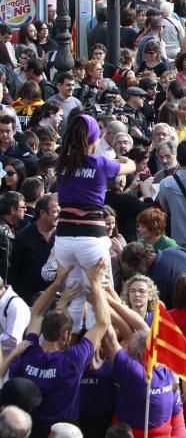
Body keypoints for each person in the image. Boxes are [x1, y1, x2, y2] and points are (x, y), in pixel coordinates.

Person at [4, 263, 109, 438]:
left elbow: (36, 312)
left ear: (42, 332)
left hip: (34, 431)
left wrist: (57, 282)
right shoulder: (72, 360)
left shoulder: (29, 352)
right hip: (65, 431)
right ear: (66, 335)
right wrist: (95, 282)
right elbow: (103, 323)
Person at [53, 114, 135, 328]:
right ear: (93, 139)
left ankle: (72, 346)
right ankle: (96, 348)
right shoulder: (101, 163)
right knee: (101, 294)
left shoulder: (61, 162)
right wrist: (124, 160)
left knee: (74, 296)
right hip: (91, 239)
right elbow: (131, 167)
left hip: (64, 238)